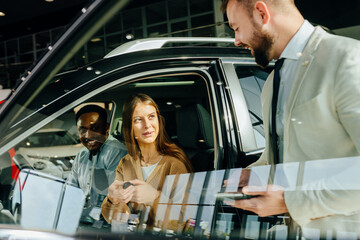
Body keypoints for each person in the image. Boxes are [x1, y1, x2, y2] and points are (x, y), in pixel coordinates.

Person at [221, 0, 360, 237]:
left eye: (236, 28)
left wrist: (290, 201)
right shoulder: (272, 83)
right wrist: (254, 173)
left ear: (261, 13)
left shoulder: (347, 59)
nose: (237, 40)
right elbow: (286, 152)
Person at [101, 93, 192, 228]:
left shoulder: (175, 163)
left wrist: (155, 197)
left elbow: (186, 222)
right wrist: (113, 200)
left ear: (158, 120)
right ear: (129, 127)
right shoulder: (125, 164)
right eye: (138, 120)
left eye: (151, 117)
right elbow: (116, 219)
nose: (147, 125)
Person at [67, 104, 127, 223]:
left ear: (107, 127)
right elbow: (71, 189)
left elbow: (111, 198)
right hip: (85, 219)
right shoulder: (82, 155)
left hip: (107, 222)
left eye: (94, 128)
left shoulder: (116, 152)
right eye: (83, 130)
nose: (88, 136)